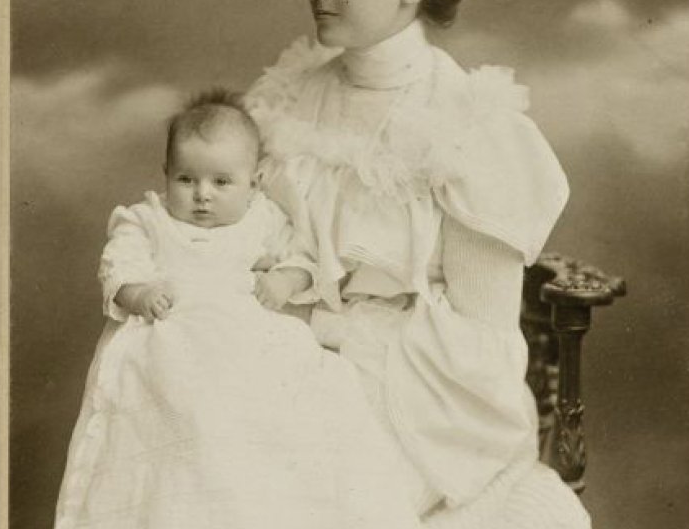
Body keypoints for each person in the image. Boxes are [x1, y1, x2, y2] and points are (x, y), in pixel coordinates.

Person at [246, 0, 591, 527]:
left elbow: (484, 348)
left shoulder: (467, 125)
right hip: (274, 358)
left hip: (417, 401)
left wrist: (329, 331)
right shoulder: (285, 101)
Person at [54, 89, 421, 529]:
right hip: (170, 344)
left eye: (221, 182)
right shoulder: (147, 221)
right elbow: (118, 266)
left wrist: (283, 280)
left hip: (249, 344)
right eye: (186, 180)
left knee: (309, 402)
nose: (202, 196)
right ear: (166, 174)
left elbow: (302, 258)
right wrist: (140, 293)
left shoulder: (261, 219)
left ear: (254, 180)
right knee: (185, 426)